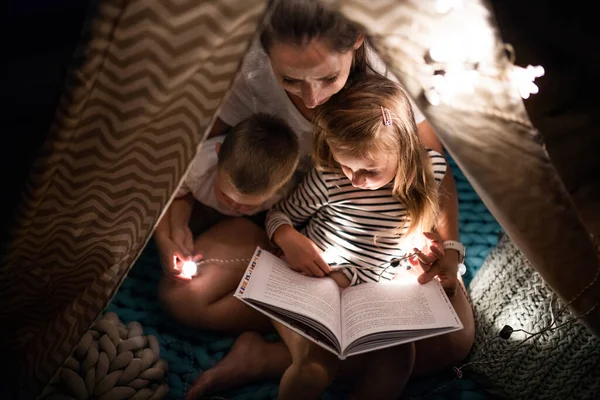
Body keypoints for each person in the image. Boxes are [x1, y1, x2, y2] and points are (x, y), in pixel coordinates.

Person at [150, 0, 471, 396]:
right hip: (298, 237)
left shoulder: (391, 76)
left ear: (357, 40)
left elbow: (434, 171)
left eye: (327, 77)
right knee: (184, 294)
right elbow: (189, 157)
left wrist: (449, 248)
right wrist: (171, 224)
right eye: (291, 80)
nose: (313, 97)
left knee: (451, 343)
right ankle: (313, 334)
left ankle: (272, 356)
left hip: (384, 260)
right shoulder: (251, 75)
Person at [264, 74, 454, 400]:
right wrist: (286, 236)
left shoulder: (429, 170)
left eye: (369, 170)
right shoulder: (330, 177)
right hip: (320, 277)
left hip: (377, 290)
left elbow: (432, 222)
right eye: (346, 166)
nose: (355, 180)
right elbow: (279, 215)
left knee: (400, 360)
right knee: (315, 366)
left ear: (404, 149)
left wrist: (434, 245)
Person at [156, 113, 300, 282]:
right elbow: (167, 196)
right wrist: (167, 237)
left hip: (252, 223)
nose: (233, 206)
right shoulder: (197, 166)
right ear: (218, 155)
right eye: (225, 194)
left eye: (247, 205)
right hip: (201, 204)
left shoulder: (285, 192)